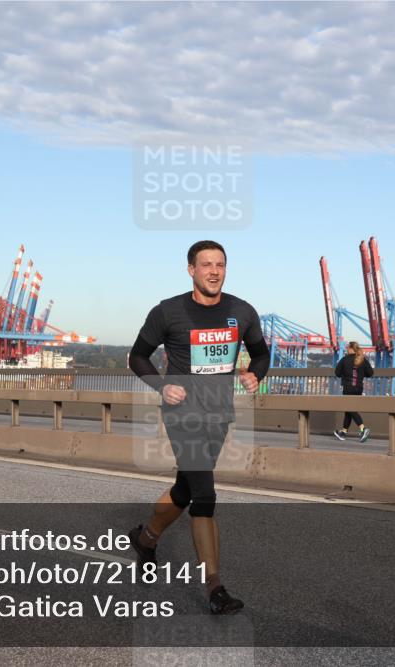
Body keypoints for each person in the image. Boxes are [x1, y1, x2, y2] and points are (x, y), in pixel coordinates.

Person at [127, 240, 271, 615]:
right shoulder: (168, 311)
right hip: (182, 414)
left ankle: (146, 539)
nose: (214, 271)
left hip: (218, 414)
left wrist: (255, 374)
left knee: (185, 487)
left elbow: (261, 352)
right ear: (190, 269)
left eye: (220, 264)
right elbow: (137, 356)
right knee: (204, 495)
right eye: (205, 264)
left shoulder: (242, 312)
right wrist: (162, 385)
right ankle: (214, 588)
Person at [333, 341, 374, 443]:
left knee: (350, 408)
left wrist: (345, 373)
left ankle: (363, 429)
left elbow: (337, 373)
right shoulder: (362, 360)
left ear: (351, 348)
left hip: (348, 388)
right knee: (349, 410)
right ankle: (343, 432)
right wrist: (360, 373)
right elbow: (370, 373)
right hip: (358, 388)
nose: (346, 349)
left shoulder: (344, 360)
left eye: (347, 348)